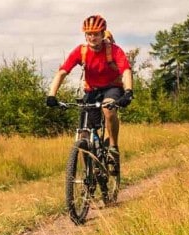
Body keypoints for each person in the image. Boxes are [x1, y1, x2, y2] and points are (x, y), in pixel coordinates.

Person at [45, 14, 134, 161]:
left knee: (108, 108)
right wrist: (51, 95)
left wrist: (129, 92)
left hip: (112, 87)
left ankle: (113, 147)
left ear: (102, 34)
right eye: (89, 34)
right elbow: (62, 72)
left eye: (96, 34)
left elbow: (126, 70)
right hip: (92, 90)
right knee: (84, 134)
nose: (92, 37)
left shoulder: (114, 50)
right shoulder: (81, 51)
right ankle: (89, 176)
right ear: (85, 35)